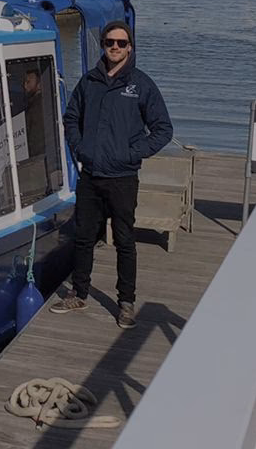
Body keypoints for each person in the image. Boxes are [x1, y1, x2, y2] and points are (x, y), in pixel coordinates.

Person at [51, 21, 172, 328]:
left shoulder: (141, 84)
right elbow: (71, 118)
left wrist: (132, 153)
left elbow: (163, 130)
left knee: (124, 240)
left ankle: (126, 302)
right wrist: (80, 149)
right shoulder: (89, 81)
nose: (115, 47)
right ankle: (79, 292)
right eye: (109, 42)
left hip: (122, 177)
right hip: (91, 173)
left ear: (130, 47)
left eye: (120, 43)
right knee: (83, 237)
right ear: (103, 45)